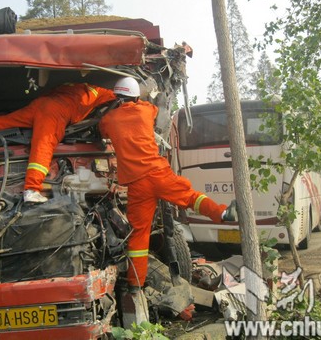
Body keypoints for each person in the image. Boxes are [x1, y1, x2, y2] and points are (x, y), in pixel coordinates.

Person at [99, 77, 237, 291]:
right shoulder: (145, 111)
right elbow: (153, 109)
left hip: (136, 184)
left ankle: (135, 284)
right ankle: (222, 214)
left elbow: (102, 130)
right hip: (158, 174)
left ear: (117, 97)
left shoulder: (109, 119)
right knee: (190, 197)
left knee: (139, 234)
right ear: (135, 96)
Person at [0, 82, 116, 203]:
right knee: (43, 146)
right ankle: (31, 189)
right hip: (57, 111)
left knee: (4, 122)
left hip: (42, 103)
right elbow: (112, 111)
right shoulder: (108, 95)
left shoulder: (79, 86)